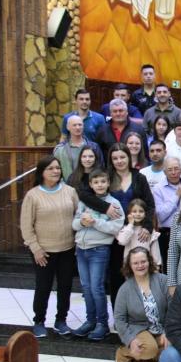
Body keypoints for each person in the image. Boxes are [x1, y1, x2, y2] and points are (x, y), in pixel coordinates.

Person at [21, 156, 79, 338]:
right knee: (43, 287)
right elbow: (26, 226)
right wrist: (36, 249)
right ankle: (39, 320)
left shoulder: (70, 191)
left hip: (67, 249)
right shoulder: (33, 195)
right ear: (42, 173)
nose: (56, 171)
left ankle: (61, 320)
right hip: (43, 252)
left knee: (65, 287)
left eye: (57, 168)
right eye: (51, 169)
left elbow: (78, 216)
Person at [71, 169, 124, 340]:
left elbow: (116, 227)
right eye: (96, 182)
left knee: (97, 288)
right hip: (81, 249)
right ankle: (90, 321)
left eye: (103, 181)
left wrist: (95, 222)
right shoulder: (84, 202)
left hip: (98, 250)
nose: (100, 185)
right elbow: (74, 224)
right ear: (91, 185)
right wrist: (82, 222)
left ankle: (102, 323)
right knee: (86, 288)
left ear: (108, 183)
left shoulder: (114, 203)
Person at [106, 143, 155, 309]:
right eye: (115, 158)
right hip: (115, 235)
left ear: (129, 157)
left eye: (122, 157)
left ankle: (141, 312)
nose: (119, 161)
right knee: (116, 275)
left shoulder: (139, 178)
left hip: (136, 234)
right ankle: (118, 313)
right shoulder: (107, 178)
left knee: (139, 274)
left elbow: (150, 204)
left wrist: (147, 227)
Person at [114, 247, 169, 362]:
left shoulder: (162, 280)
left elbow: (174, 308)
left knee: (175, 352)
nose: (140, 265)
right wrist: (130, 340)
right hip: (138, 329)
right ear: (130, 265)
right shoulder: (125, 289)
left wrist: (168, 331)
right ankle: (123, 353)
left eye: (143, 261)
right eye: (136, 263)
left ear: (149, 261)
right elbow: (119, 319)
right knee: (149, 349)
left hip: (161, 328)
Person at [153, 157, 181, 268]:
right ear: (165, 171)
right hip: (167, 234)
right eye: (170, 169)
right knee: (169, 270)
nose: (173, 172)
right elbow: (160, 215)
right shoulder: (158, 188)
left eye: (176, 169)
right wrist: (176, 196)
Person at [54, 115, 104, 180]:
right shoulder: (59, 149)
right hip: (68, 186)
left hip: (91, 186)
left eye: (80, 125)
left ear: (83, 126)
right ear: (68, 127)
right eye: (74, 125)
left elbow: (100, 167)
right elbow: (55, 171)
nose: (78, 127)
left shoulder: (94, 147)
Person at [117, 199, 162, 268]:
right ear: (129, 213)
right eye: (134, 211)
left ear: (145, 214)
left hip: (146, 266)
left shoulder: (148, 230)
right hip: (130, 266)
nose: (138, 214)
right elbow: (122, 241)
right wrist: (131, 224)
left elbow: (155, 249)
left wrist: (157, 265)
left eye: (141, 211)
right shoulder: (126, 228)